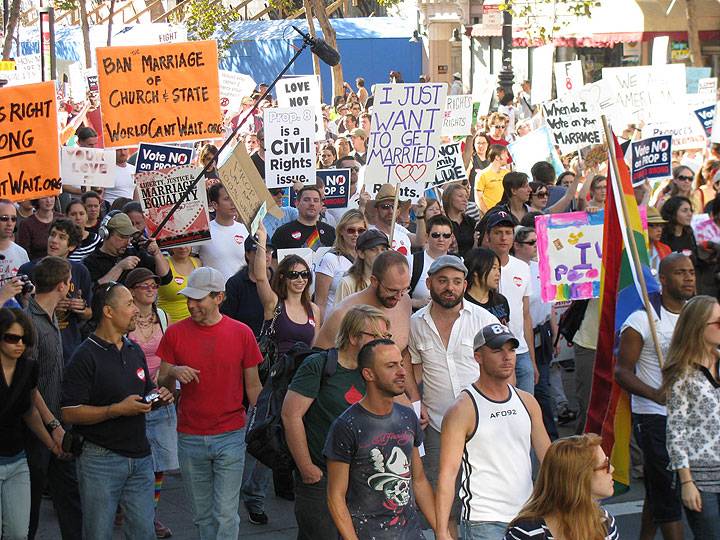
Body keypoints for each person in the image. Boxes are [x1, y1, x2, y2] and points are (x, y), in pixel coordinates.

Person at [61, 282, 174, 540]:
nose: (136, 310)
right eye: (129, 304)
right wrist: (115, 410)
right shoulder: (85, 356)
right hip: (100, 460)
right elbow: (69, 412)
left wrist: (160, 395)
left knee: (144, 533)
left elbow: (146, 390)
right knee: (98, 534)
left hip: (141, 457)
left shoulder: (133, 350)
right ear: (109, 312)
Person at [157, 267, 262, 540]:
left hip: (231, 434)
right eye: (189, 298)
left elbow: (253, 386)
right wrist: (173, 372)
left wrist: (262, 428)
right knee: (202, 515)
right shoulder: (175, 333)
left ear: (219, 297)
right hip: (190, 436)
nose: (191, 305)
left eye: (198, 299)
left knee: (226, 514)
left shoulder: (242, 333)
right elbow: (163, 385)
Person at [406, 255, 500, 537]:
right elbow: (411, 366)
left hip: (483, 426)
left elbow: (504, 369)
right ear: (429, 283)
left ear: (465, 285)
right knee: (440, 498)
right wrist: (415, 403)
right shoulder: (415, 324)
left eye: (457, 282)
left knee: (483, 497)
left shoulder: (484, 320)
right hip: (436, 427)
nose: (450, 287)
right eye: (443, 281)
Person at [283, 305, 391, 540]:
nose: (382, 343)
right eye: (376, 336)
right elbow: (291, 416)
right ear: (353, 337)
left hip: (364, 479)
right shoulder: (320, 365)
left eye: (387, 337)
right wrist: (306, 468)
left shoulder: (374, 371)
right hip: (322, 477)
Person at [435, 324, 550, 540]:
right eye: (497, 350)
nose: (507, 357)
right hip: (484, 521)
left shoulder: (528, 402)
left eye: (511, 350)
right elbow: (447, 475)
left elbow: (551, 459)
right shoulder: (462, 409)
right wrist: (442, 531)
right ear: (478, 357)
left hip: (528, 515)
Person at [616, 253, 694, 540]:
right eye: (680, 273)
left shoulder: (696, 316)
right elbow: (622, 372)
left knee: (659, 486)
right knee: (670, 492)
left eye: (691, 272)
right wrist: (655, 394)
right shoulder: (642, 319)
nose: (688, 278)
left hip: (693, 415)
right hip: (654, 416)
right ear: (662, 279)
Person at [325, 339, 436, 539]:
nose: (402, 371)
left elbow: (418, 480)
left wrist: (442, 531)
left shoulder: (407, 416)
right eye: (391, 366)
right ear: (369, 374)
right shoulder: (346, 426)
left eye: (401, 364)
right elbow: (335, 496)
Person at [23, 256, 83, 540]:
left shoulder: (50, 317)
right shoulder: (30, 323)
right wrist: (52, 426)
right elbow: (28, 384)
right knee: (31, 501)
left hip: (59, 421)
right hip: (35, 427)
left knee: (70, 495)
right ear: (63, 286)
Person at [0, 308, 65, 540]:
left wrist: (52, 443)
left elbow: (30, 411)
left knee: (18, 533)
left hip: (17, 460)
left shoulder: (28, 368)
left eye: (24, 339)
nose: (19, 344)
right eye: (11, 338)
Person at [662, 295, 720, 538]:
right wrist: (686, 483)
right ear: (698, 327)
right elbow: (675, 432)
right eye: (717, 322)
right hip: (700, 478)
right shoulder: (682, 373)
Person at [125, 268, 177, 539]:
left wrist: (167, 381)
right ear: (131, 291)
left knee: (159, 463)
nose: (150, 288)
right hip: (132, 396)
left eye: (153, 285)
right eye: (143, 285)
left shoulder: (164, 317)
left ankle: (150, 515)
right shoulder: (125, 318)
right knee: (135, 461)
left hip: (161, 396)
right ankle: (132, 510)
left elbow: (168, 354)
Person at [503, 434, 618, 540]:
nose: (612, 469)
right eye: (605, 466)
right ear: (579, 477)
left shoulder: (604, 523)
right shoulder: (527, 532)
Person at [19, 219, 93, 366]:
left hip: (69, 346)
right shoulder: (28, 269)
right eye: (52, 235)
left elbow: (90, 313)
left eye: (62, 237)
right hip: (37, 344)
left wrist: (80, 308)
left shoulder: (80, 271)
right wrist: (48, 304)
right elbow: (21, 309)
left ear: (71, 246)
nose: (54, 241)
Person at [316, 250, 412, 357]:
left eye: (405, 289)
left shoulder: (405, 302)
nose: (399, 297)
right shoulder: (343, 314)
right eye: (392, 290)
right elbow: (316, 361)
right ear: (374, 281)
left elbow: (404, 351)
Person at [484, 211, 538, 393]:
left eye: (508, 233)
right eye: (498, 232)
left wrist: (532, 358)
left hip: (520, 350)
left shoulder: (522, 268)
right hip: (491, 351)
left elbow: (525, 315)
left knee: (527, 407)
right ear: (488, 237)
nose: (503, 238)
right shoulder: (476, 267)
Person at [513, 226, 558, 440]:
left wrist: (555, 333)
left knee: (544, 386)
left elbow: (549, 304)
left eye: (536, 242)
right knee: (536, 390)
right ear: (518, 246)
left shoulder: (541, 266)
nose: (535, 247)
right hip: (523, 337)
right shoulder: (511, 269)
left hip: (543, 331)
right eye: (531, 243)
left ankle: (549, 435)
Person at [255, 223, 321, 354]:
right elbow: (260, 277)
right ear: (282, 277)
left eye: (304, 274)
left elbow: (315, 347)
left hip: (303, 371)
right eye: (293, 275)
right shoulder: (274, 303)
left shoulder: (314, 309)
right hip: (278, 371)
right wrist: (262, 240)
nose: (300, 279)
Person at [82, 212, 171, 286]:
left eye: (129, 237)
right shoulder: (90, 262)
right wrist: (119, 267)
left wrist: (156, 253)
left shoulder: (135, 253)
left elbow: (165, 278)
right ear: (105, 234)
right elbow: (94, 291)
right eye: (123, 237)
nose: (128, 242)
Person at [315, 209, 366, 318]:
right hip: (333, 324)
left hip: (359, 323)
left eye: (361, 230)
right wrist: (319, 332)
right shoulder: (330, 258)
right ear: (342, 231)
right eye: (351, 230)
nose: (356, 234)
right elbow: (320, 302)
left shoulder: (369, 259)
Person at [220, 236, 274, 336]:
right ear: (247, 255)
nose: (265, 256)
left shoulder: (279, 280)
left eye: (268, 251)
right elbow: (227, 319)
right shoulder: (235, 284)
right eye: (259, 251)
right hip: (244, 341)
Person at [196, 183, 250, 283]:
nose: (232, 203)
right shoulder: (203, 231)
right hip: (213, 294)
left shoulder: (245, 230)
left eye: (233, 197)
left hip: (240, 293)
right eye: (226, 199)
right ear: (215, 204)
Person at [408, 215, 454, 310]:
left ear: (451, 238)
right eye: (436, 235)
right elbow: (398, 296)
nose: (441, 239)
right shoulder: (412, 261)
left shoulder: (459, 261)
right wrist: (417, 303)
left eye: (446, 235)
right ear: (427, 236)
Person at [272, 186, 336, 251]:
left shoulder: (330, 232)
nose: (312, 204)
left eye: (316, 200)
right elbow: (274, 260)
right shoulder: (282, 232)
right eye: (306, 200)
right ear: (297, 204)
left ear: (321, 205)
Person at [335, 229, 389, 305]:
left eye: (383, 249)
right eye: (373, 250)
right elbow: (338, 315)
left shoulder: (389, 283)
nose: (380, 254)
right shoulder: (347, 283)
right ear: (361, 253)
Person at [463, 247, 510, 325]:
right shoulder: (463, 303)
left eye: (498, 269)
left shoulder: (501, 301)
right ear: (475, 272)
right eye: (493, 268)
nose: (498, 273)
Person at [157, 246, 202, 323]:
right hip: (170, 323)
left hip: (195, 322)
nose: (183, 247)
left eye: (186, 243)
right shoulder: (163, 263)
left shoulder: (198, 262)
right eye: (178, 245)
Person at [370, 184, 415, 256]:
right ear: (376, 210)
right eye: (385, 207)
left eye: (394, 206)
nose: (391, 211)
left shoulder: (404, 237)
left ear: (398, 211)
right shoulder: (369, 236)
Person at [17, 197, 62, 262]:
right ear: (37, 199)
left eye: (51, 196)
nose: (48, 201)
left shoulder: (62, 219)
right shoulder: (26, 224)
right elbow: (24, 252)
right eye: (44, 197)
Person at [660, 196, 698, 265]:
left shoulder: (689, 233)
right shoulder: (662, 235)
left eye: (691, 210)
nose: (690, 214)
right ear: (673, 213)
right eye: (684, 210)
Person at [442, 184, 476, 257]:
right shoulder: (442, 222)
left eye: (466, 197)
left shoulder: (471, 221)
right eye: (460, 196)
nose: (465, 200)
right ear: (449, 198)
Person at [474, 145, 509, 213]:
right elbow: (478, 199)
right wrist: (488, 215)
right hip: (490, 215)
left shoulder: (507, 173)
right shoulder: (482, 175)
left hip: (506, 215)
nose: (507, 157)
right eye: (505, 155)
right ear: (497, 157)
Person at [647, 207, 672, 276]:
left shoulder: (665, 249)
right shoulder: (635, 249)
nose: (659, 230)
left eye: (661, 226)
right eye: (654, 226)